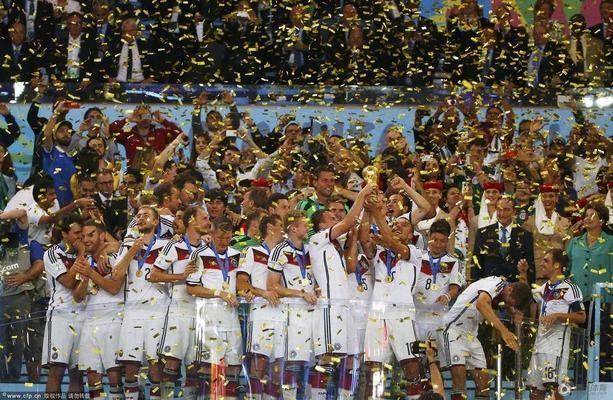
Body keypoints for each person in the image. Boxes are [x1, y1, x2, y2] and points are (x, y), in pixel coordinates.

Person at [307, 183, 375, 399]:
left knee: (350, 358)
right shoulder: (317, 239)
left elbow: (351, 263)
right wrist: (362, 195)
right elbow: (348, 222)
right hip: (330, 306)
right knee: (327, 358)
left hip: (345, 307)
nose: (335, 218)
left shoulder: (336, 245)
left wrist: (355, 235)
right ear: (321, 225)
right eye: (330, 217)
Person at [359, 190, 424, 399]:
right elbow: (364, 240)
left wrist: (377, 212)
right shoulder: (379, 251)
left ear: (411, 235)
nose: (397, 226)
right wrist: (367, 211)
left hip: (402, 314)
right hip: (377, 314)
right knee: (374, 367)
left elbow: (391, 241)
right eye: (394, 224)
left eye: (403, 225)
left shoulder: (415, 253)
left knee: (411, 365)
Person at [439, 276, 532, 400]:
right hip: (452, 330)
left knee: (483, 383)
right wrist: (504, 331)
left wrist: (514, 313)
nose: (508, 305)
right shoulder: (497, 283)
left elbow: (501, 304)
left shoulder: (500, 292)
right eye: (509, 302)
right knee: (459, 377)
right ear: (510, 289)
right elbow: (481, 304)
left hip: (471, 335)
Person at [151, 206, 209, 400]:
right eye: (204, 218)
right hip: (179, 309)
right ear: (192, 220)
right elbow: (154, 275)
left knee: (194, 365)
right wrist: (181, 276)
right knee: (172, 363)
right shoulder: (174, 245)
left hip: (201, 311)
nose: (208, 221)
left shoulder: (207, 248)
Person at [114, 205, 168, 400]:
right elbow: (116, 275)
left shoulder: (166, 246)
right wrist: (132, 251)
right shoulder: (127, 246)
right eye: (138, 215)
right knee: (131, 365)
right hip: (132, 312)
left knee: (155, 364)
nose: (141, 218)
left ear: (156, 221)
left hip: (158, 311)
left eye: (146, 215)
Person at [187, 216, 242, 399]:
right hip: (209, 316)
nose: (224, 242)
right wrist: (219, 293)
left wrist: (245, 292)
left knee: (233, 366)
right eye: (219, 238)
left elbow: (239, 283)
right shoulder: (199, 254)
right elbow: (191, 288)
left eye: (228, 238)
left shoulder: (236, 254)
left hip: (232, 317)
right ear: (211, 233)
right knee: (210, 366)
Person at [266, 210, 316, 400]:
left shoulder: (311, 250)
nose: (308, 227)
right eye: (304, 224)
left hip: (311, 311)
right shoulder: (280, 250)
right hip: (291, 313)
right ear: (294, 228)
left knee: (310, 364)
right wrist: (300, 293)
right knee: (291, 363)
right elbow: (272, 285)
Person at [72, 220, 123, 400]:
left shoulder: (115, 257)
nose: (86, 239)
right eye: (83, 236)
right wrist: (85, 277)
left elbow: (115, 288)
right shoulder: (85, 262)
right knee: (92, 374)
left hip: (113, 319)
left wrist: (91, 273)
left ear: (102, 235)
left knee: (114, 374)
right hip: (90, 321)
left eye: (91, 234)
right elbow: (78, 297)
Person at [236, 214, 285, 400]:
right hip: (261, 315)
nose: (284, 230)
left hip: (282, 314)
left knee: (278, 369)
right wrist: (263, 293)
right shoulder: (251, 251)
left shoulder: (285, 254)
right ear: (270, 228)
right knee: (258, 366)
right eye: (281, 226)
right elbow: (240, 283)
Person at [528, 249, 586, 400]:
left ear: (557, 265)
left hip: (555, 348)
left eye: (546, 261)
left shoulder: (570, 288)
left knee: (554, 389)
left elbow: (581, 317)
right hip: (538, 347)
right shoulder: (545, 287)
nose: (542, 264)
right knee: (535, 391)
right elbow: (526, 297)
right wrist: (522, 274)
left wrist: (557, 316)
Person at [41, 214, 86, 396]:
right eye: (76, 233)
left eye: (82, 233)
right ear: (65, 234)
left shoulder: (87, 251)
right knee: (57, 371)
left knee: (77, 374)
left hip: (84, 315)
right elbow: (67, 281)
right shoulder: (52, 253)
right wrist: (82, 255)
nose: (81, 237)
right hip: (61, 316)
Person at [413, 219, 464, 341]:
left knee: (436, 352)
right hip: (416, 316)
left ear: (447, 241)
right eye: (435, 239)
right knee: (417, 351)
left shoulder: (455, 262)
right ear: (428, 237)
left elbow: (455, 287)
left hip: (440, 317)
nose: (438, 244)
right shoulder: (417, 258)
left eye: (442, 241)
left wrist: (447, 296)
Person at [472, 197, 535, 284]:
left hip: (515, 287)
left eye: (506, 209)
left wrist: (528, 288)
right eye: (499, 210)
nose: (502, 214)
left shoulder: (525, 235)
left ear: (514, 211)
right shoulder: (483, 234)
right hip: (489, 286)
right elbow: (476, 262)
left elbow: (530, 265)